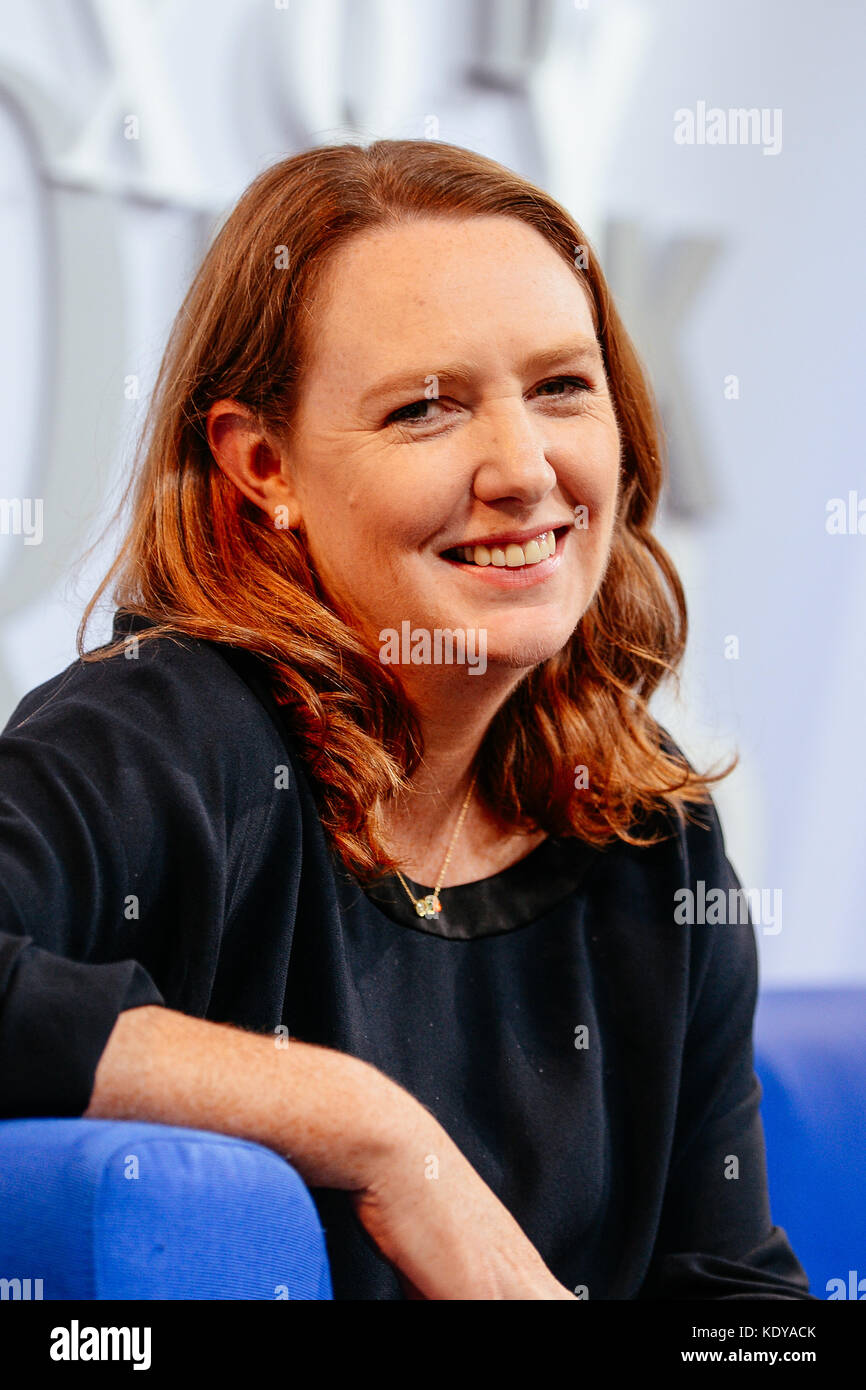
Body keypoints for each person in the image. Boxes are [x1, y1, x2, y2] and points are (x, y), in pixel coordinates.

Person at [0, 139, 814, 1301]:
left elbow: (728, 1287)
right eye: (425, 409)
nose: (523, 470)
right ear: (262, 464)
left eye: (558, 387)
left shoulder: (647, 826)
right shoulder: (161, 736)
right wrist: (372, 1128)